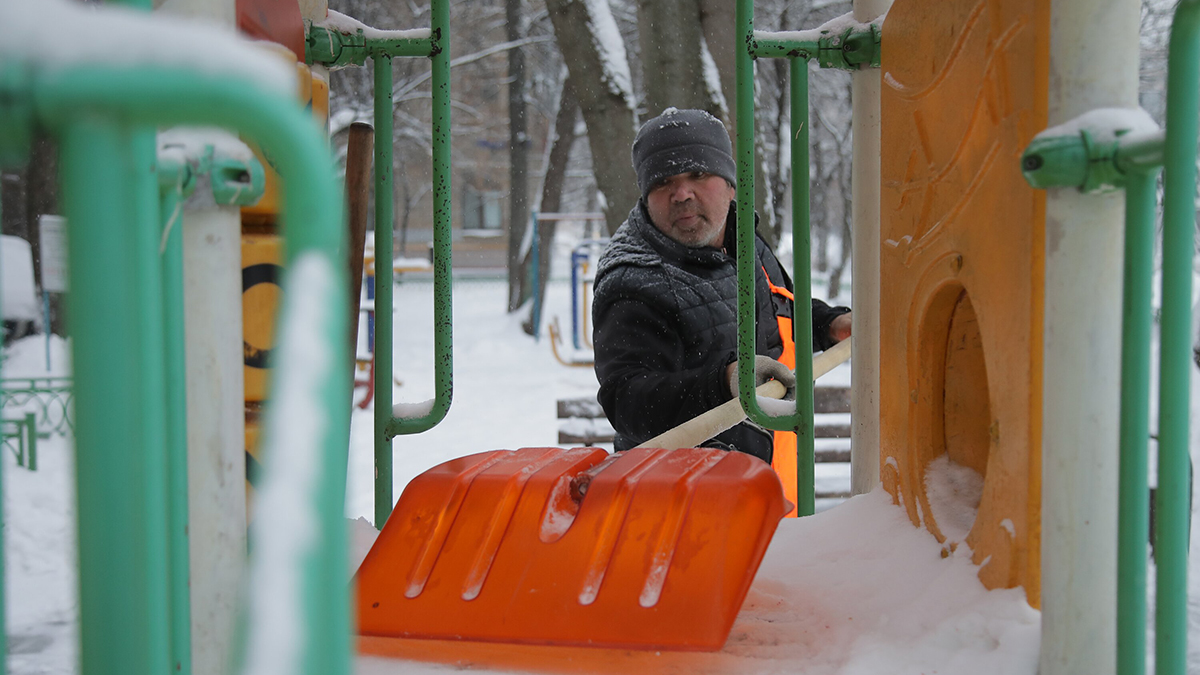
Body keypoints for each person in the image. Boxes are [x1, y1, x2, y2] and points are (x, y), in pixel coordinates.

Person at [591, 107, 851, 476]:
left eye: (698, 174)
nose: (681, 193)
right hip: (688, 509)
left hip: (772, 490)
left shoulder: (742, 238)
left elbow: (776, 309)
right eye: (663, 181)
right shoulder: (633, 280)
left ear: (731, 185)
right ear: (647, 197)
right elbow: (629, 403)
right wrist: (726, 382)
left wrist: (830, 323)